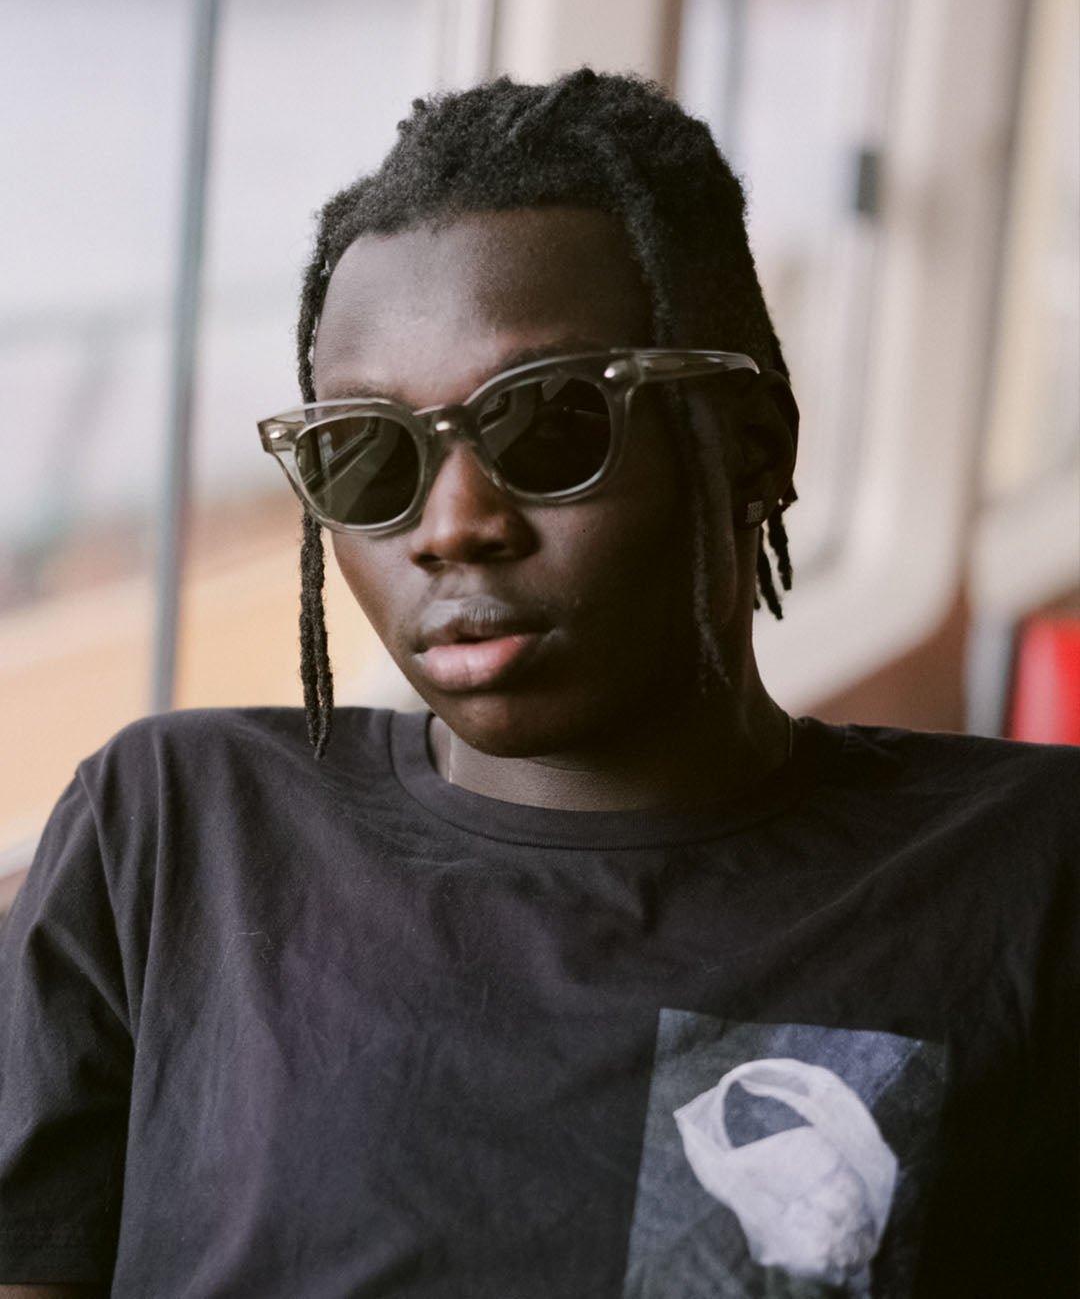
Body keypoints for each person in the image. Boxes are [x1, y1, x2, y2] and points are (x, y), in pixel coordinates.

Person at [0, 69, 1075, 1299]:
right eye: (363, 454)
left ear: (755, 442)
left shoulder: (1023, 873)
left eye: (551, 423)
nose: (452, 523)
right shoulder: (175, 832)